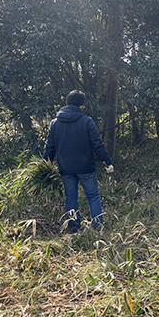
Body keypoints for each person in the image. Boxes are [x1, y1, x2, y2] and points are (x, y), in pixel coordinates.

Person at [43, 90, 114, 232]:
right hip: (86, 166)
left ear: (67, 103)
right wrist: (107, 162)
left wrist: (44, 166)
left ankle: (74, 227)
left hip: (65, 167)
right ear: (81, 106)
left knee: (71, 198)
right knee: (93, 196)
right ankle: (98, 227)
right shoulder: (87, 121)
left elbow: (49, 147)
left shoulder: (54, 124)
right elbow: (97, 144)